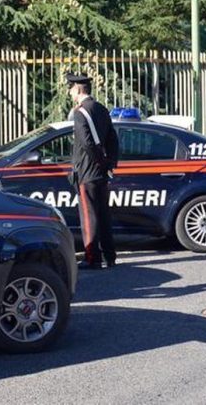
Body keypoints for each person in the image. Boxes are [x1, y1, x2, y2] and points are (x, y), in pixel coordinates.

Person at [67, 73, 119, 270]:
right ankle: (110, 255)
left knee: (89, 216)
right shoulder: (101, 109)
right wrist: (109, 163)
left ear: (78, 90)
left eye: (71, 89)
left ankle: (92, 258)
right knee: (104, 214)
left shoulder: (81, 112)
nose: (69, 92)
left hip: (87, 171)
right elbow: (113, 139)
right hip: (102, 172)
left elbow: (87, 143)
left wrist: (98, 162)